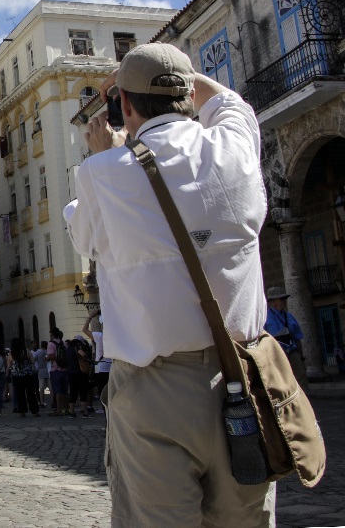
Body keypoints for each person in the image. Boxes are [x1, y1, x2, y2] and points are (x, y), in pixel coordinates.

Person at [64, 43, 273, 525]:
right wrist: (169, 74)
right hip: (245, 378)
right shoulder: (237, 146)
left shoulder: (104, 172)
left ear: (124, 106)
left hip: (155, 387)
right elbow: (228, 102)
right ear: (186, 94)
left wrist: (105, 155)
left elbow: (86, 238)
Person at [264, 286, 309, 390]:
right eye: (281, 299)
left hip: (292, 352)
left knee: (300, 375)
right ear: (272, 301)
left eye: (284, 299)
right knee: (281, 380)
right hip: (275, 353)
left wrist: (300, 355)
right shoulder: (264, 318)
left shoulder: (289, 316)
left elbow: (297, 338)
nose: (284, 301)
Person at [8, 337, 39, 417]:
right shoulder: (26, 351)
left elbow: (9, 366)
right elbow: (32, 361)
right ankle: (34, 411)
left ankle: (22, 411)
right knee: (31, 393)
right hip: (27, 375)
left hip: (16, 376)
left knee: (19, 394)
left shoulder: (11, 353)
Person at [46, 328, 69, 417]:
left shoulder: (51, 344)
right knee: (65, 391)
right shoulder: (64, 343)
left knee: (57, 391)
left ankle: (59, 409)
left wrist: (48, 358)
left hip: (56, 369)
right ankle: (66, 408)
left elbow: (51, 356)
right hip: (64, 369)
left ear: (52, 334)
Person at [33, 340, 49, 407]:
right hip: (48, 370)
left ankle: (41, 402)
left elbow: (33, 360)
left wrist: (35, 368)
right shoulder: (48, 352)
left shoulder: (39, 353)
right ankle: (53, 402)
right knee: (51, 387)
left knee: (41, 388)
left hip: (41, 370)